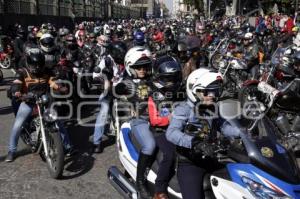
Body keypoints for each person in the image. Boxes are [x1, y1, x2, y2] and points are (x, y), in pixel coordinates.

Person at [166, 68, 240, 199]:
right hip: (190, 163)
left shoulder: (211, 108)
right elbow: (171, 133)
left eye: (215, 91)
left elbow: (224, 126)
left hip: (211, 158)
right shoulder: (184, 108)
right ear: (195, 92)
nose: (212, 95)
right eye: (208, 91)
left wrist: (245, 133)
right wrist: (195, 143)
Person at [5, 48, 74, 162]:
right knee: (17, 126)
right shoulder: (22, 72)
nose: (37, 67)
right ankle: (12, 150)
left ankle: (68, 147)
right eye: (34, 65)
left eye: (39, 65)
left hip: (44, 101)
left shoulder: (46, 71)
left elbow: (53, 81)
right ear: (28, 62)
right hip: (27, 102)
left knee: (58, 122)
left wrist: (61, 87)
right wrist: (16, 92)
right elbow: (16, 83)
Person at [114, 46, 153, 199]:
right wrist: (121, 89)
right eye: (138, 67)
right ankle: (140, 180)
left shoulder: (153, 80)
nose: (142, 70)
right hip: (140, 120)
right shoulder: (128, 82)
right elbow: (117, 91)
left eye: (145, 66)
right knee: (150, 145)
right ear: (130, 67)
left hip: (159, 119)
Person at [151, 56, 183, 199]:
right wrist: (168, 118)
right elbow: (154, 120)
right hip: (161, 131)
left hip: (179, 128)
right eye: (168, 79)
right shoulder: (155, 96)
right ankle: (160, 189)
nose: (171, 82)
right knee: (170, 155)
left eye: (174, 78)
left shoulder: (180, 93)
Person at [92, 41, 127, 153]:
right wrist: (104, 81)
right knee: (103, 112)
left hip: (121, 89)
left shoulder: (125, 61)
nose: (122, 55)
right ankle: (96, 142)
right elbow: (95, 75)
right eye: (120, 54)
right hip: (107, 90)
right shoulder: (106, 61)